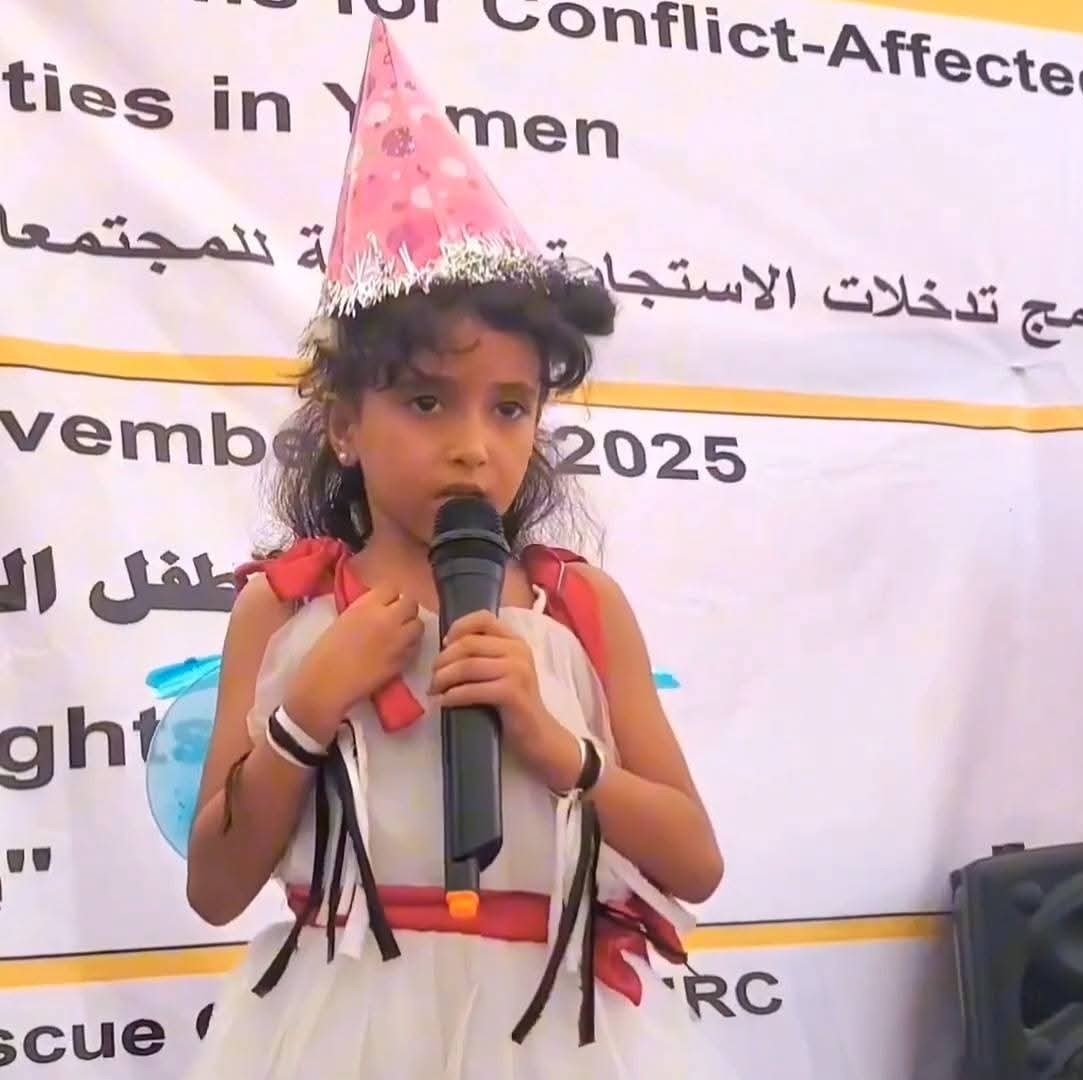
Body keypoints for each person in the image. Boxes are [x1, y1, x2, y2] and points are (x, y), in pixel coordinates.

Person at [180, 19, 738, 1079]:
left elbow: (695, 863)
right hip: (342, 1029)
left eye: (510, 408)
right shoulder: (286, 609)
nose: (473, 447)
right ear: (345, 425)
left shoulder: (579, 607)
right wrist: (306, 711)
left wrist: (560, 749)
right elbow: (215, 886)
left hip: (552, 1032)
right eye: (427, 402)